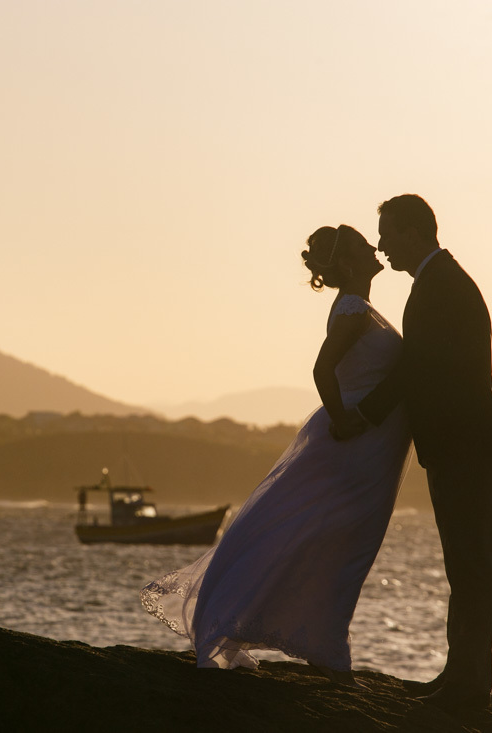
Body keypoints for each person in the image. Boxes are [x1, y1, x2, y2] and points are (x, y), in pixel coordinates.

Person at [141, 224, 411, 684]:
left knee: (333, 539)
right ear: (347, 262)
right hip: (354, 444)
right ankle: (324, 645)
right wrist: (343, 418)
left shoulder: (361, 307)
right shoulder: (352, 308)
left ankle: (319, 638)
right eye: (365, 245)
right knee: (339, 541)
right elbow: (322, 367)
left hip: (371, 445)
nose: (375, 247)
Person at [344, 194, 492, 713]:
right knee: (463, 563)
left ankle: (468, 685)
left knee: (470, 564)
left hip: (465, 443)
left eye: (388, 233)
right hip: (460, 442)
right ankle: (460, 675)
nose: (381, 244)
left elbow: (414, 368)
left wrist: (362, 416)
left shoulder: (440, 286)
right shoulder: (438, 282)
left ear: (415, 232)